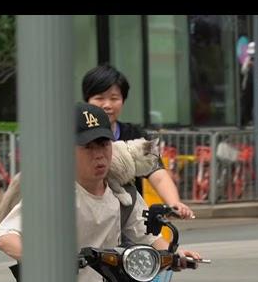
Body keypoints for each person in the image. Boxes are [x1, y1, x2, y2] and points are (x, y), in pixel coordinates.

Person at [0, 102, 202, 282]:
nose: (99, 156)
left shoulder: (121, 194)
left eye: (103, 145)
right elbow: (6, 236)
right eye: (88, 148)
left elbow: (147, 237)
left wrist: (176, 255)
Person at [82, 64, 194, 220]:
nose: (107, 105)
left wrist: (174, 203)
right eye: (99, 98)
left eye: (114, 98)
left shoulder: (137, 135)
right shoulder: (75, 136)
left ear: (123, 101)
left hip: (131, 222)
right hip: (89, 219)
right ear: (87, 100)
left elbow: (158, 173)